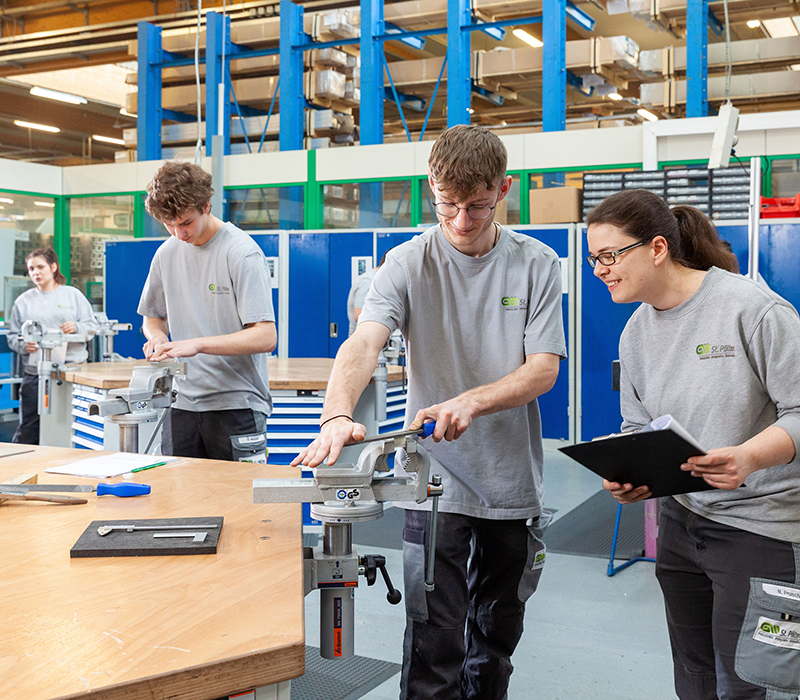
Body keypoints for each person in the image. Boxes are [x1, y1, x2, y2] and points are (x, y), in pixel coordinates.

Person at [294, 124, 566, 700]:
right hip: (431, 484)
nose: (462, 221)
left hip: (510, 482)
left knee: (494, 641)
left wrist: (472, 399)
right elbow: (363, 343)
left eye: (478, 205)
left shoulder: (537, 264)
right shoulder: (406, 262)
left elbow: (543, 368)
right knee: (431, 641)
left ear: (504, 190)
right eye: (448, 205)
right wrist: (336, 414)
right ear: (430, 189)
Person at [586, 188, 800, 700]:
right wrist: (634, 474)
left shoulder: (753, 310)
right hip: (682, 525)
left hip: (759, 528)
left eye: (610, 256)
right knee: (696, 678)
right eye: (595, 259)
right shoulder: (635, 333)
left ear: (657, 248)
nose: (600, 270)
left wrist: (749, 455)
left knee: (750, 684)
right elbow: (640, 428)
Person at [138, 161, 277, 461]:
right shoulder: (166, 254)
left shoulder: (241, 253)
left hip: (236, 405)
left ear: (206, 206)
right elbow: (152, 318)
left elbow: (265, 336)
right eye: (169, 224)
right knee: (179, 503)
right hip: (181, 405)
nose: (178, 234)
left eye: (185, 222)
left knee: (241, 504)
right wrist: (158, 338)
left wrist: (199, 344)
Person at [8, 247, 97, 444]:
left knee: (70, 424)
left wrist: (76, 327)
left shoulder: (72, 296)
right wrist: (24, 345)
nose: (35, 273)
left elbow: (92, 327)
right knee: (30, 425)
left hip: (72, 372)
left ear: (54, 267)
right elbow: (13, 337)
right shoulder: (23, 302)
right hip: (36, 374)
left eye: (40, 267)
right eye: (31, 269)